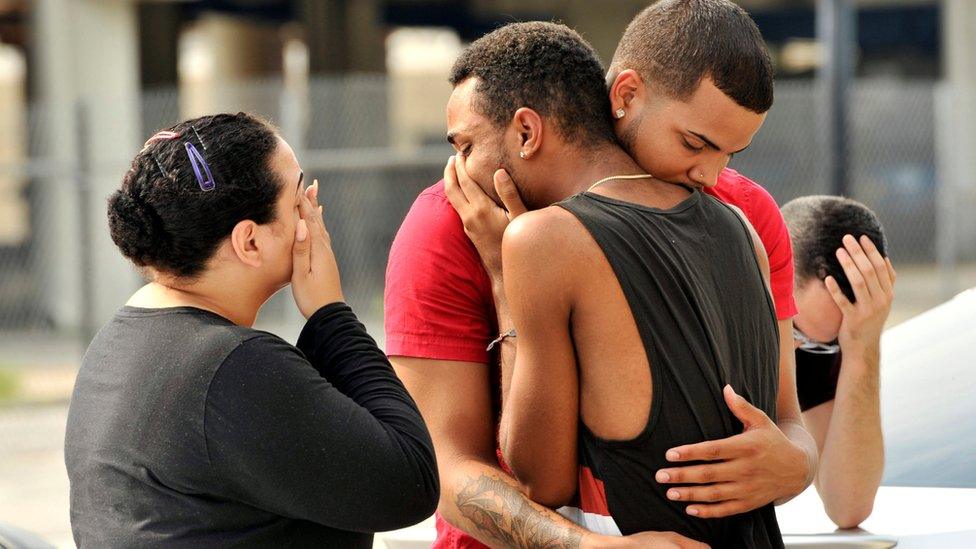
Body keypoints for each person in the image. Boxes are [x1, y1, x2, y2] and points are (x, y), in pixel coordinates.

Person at [386, 2, 816, 547]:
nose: (711, 173)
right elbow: (444, 469)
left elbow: (787, 420)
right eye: (695, 142)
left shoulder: (742, 210)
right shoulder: (448, 223)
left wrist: (798, 464)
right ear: (625, 95)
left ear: (526, 131)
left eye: (729, 151)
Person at [64, 113, 439, 548]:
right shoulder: (231, 366)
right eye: (299, 197)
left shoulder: (117, 343)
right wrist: (330, 313)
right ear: (250, 242)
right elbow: (409, 483)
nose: (313, 213)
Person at [782, 196, 895, 528]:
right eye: (794, 330)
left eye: (819, 345)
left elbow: (848, 506)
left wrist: (862, 346)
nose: (796, 349)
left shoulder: (821, 343)